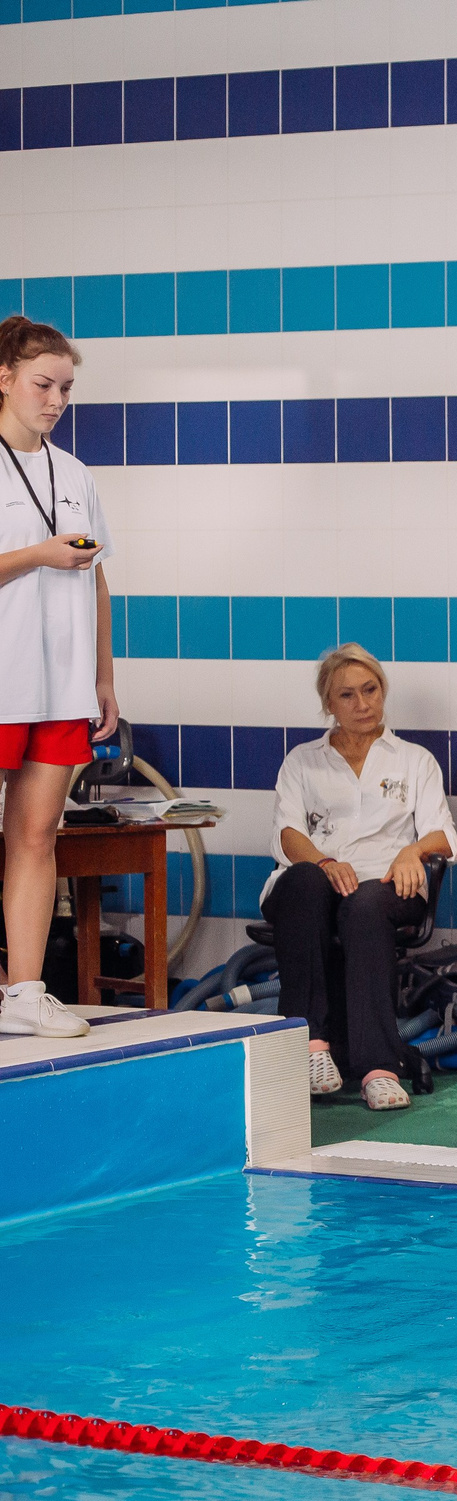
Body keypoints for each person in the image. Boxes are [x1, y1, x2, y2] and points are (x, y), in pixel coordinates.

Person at [262, 645, 457, 1110]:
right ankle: (311, 1049)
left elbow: (444, 836)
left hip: (387, 885)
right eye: (347, 695)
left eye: (370, 690)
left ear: (382, 691)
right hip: (316, 884)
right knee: (306, 882)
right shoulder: (302, 761)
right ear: (329, 704)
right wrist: (325, 864)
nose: (362, 703)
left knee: (366, 904)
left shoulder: (414, 760)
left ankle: (379, 1069)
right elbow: (288, 833)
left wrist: (414, 850)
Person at [0, 315, 114, 1041]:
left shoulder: (73, 472)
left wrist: (103, 676)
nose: (55, 400)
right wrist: (37, 554)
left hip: (61, 681)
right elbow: (49, 559)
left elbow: (99, 577)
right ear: (3, 377)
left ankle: (26, 989)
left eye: (66, 388)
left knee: (37, 835)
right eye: (43, 384)